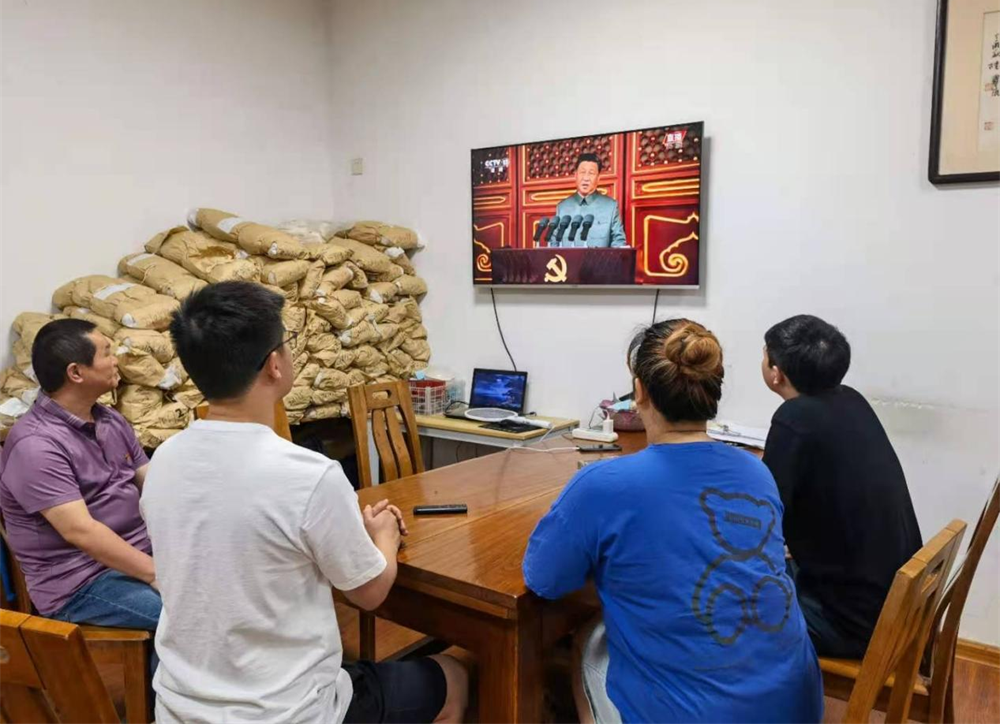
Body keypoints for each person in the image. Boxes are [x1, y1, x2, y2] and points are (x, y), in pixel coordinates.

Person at [141, 281, 467, 724]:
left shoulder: (163, 461)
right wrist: (384, 537)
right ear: (274, 365)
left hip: (179, 707)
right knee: (455, 674)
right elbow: (369, 593)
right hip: (290, 713)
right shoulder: (308, 474)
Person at [523, 319, 822, 723]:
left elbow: (544, 579)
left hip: (696, 714)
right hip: (796, 702)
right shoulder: (756, 471)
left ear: (640, 391)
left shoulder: (603, 485)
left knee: (588, 638)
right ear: (712, 391)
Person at [761, 314, 922, 659]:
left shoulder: (795, 418)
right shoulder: (851, 400)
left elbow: (763, 518)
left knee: (724, 597)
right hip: (892, 606)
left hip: (850, 624)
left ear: (776, 373)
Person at [0, 319, 161, 630]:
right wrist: (156, 573)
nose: (116, 360)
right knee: (184, 613)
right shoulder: (36, 445)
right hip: (81, 581)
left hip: (140, 551)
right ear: (76, 372)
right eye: (106, 353)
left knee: (225, 582)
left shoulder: (109, 418)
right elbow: (81, 531)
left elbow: (152, 482)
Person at [553, 152, 627, 247]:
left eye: (591, 173)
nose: (586, 178)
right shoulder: (562, 207)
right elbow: (554, 243)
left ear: (598, 178)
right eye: (582, 172)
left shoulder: (610, 206)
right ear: (575, 175)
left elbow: (618, 242)